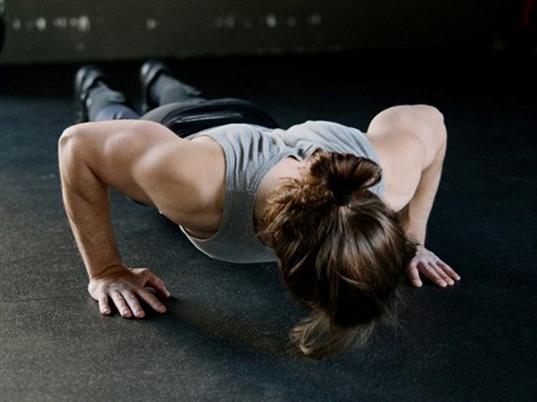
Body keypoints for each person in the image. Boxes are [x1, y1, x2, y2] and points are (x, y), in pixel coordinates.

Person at [58, 60, 461, 357]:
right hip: (178, 131)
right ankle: (95, 84)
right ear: (279, 254)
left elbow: (433, 121)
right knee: (116, 119)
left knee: (195, 99)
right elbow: (78, 146)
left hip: (248, 120)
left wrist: (410, 240)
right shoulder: (192, 186)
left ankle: (157, 75)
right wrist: (106, 271)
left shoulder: (388, 177)